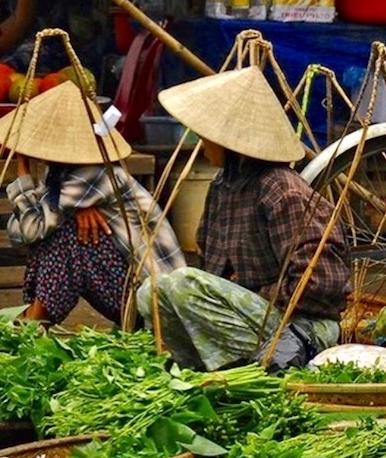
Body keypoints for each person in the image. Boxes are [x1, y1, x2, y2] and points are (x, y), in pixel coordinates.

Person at [136, 67, 351, 373]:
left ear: (229, 142)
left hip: (300, 327)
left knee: (182, 284)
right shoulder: (223, 186)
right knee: (152, 290)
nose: (201, 142)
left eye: (206, 137)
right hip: (253, 316)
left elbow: (321, 286)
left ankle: (240, 371)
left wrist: (252, 292)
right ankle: (197, 372)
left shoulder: (282, 191)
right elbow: (212, 268)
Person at [0, 80, 186, 326]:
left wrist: (22, 169)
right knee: (57, 233)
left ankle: (33, 323)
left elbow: (31, 230)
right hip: (128, 290)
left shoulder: (93, 174)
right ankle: (32, 320)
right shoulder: (58, 175)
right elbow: (19, 234)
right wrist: (71, 212)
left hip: (155, 304)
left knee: (65, 237)